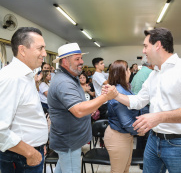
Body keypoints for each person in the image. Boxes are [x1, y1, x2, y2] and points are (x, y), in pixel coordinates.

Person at [103, 28, 181, 173]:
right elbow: (139, 100)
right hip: (154, 139)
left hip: (180, 143)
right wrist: (115, 95)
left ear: (158, 45)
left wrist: (159, 117)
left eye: (145, 46)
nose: (143, 51)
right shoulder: (155, 74)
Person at [47, 43, 117, 173]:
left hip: (70, 139)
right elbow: (78, 110)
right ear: (65, 62)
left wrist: (90, 107)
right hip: (69, 142)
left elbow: (78, 104)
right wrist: (105, 97)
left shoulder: (71, 77)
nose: (81, 62)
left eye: (81, 58)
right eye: (77, 59)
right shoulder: (64, 82)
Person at [0, 27, 48, 173]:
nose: (45, 54)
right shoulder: (12, 77)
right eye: (40, 49)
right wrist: (30, 152)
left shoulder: (26, 75)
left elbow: (27, 114)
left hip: (29, 151)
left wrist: (40, 143)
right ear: (22, 50)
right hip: (20, 157)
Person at [104, 60, 142, 173]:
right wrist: (140, 130)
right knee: (118, 170)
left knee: (125, 169)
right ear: (122, 72)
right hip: (118, 136)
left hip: (125, 134)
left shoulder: (124, 88)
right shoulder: (118, 92)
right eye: (127, 69)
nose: (130, 72)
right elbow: (125, 121)